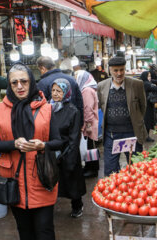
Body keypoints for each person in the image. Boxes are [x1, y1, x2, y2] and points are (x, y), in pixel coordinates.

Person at [0, 63, 61, 240]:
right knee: (24, 231)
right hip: (14, 181)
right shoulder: (0, 111)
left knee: (45, 231)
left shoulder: (46, 108)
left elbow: (59, 142)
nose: (19, 86)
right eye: (14, 83)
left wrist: (42, 145)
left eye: (24, 81)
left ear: (31, 82)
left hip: (42, 179)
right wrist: (14, 144)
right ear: (9, 85)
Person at [97, 57, 147, 176]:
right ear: (110, 70)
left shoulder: (136, 84)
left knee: (136, 168)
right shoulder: (101, 86)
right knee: (110, 170)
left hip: (132, 133)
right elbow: (101, 106)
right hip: (111, 135)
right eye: (115, 70)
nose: (119, 74)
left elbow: (143, 106)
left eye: (122, 70)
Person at [50, 78, 86, 218]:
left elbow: (74, 137)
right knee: (51, 180)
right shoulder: (49, 108)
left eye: (59, 91)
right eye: (53, 90)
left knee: (72, 182)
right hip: (52, 151)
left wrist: (68, 157)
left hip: (68, 152)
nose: (55, 94)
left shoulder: (73, 111)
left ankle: (77, 206)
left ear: (66, 92)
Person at [36, 56, 84, 126]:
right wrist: (81, 123)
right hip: (73, 124)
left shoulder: (42, 83)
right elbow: (80, 103)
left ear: (43, 68)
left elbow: (40, 108)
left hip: (53, 126)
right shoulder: (72, 79)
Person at [74, 70, 99, 178]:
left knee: (90, 147)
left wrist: (87, 125)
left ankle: (92, 169)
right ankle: (90, 168)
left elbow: (87, 109)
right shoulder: (89, 89)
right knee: (90, 146)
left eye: (76, 77)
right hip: (91, 122)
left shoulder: (86, 90)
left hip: (89, 124)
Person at [140, 71, 157, 142]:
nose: (150, 77)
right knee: (147, 121)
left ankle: (146, 136)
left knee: (148, 121)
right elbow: (156, 88)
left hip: (147, 104)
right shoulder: (146, 83)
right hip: (146, 105)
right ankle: (146, 137)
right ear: (145, 77)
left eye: (150, 76)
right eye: (148, 76)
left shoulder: (144, 83)